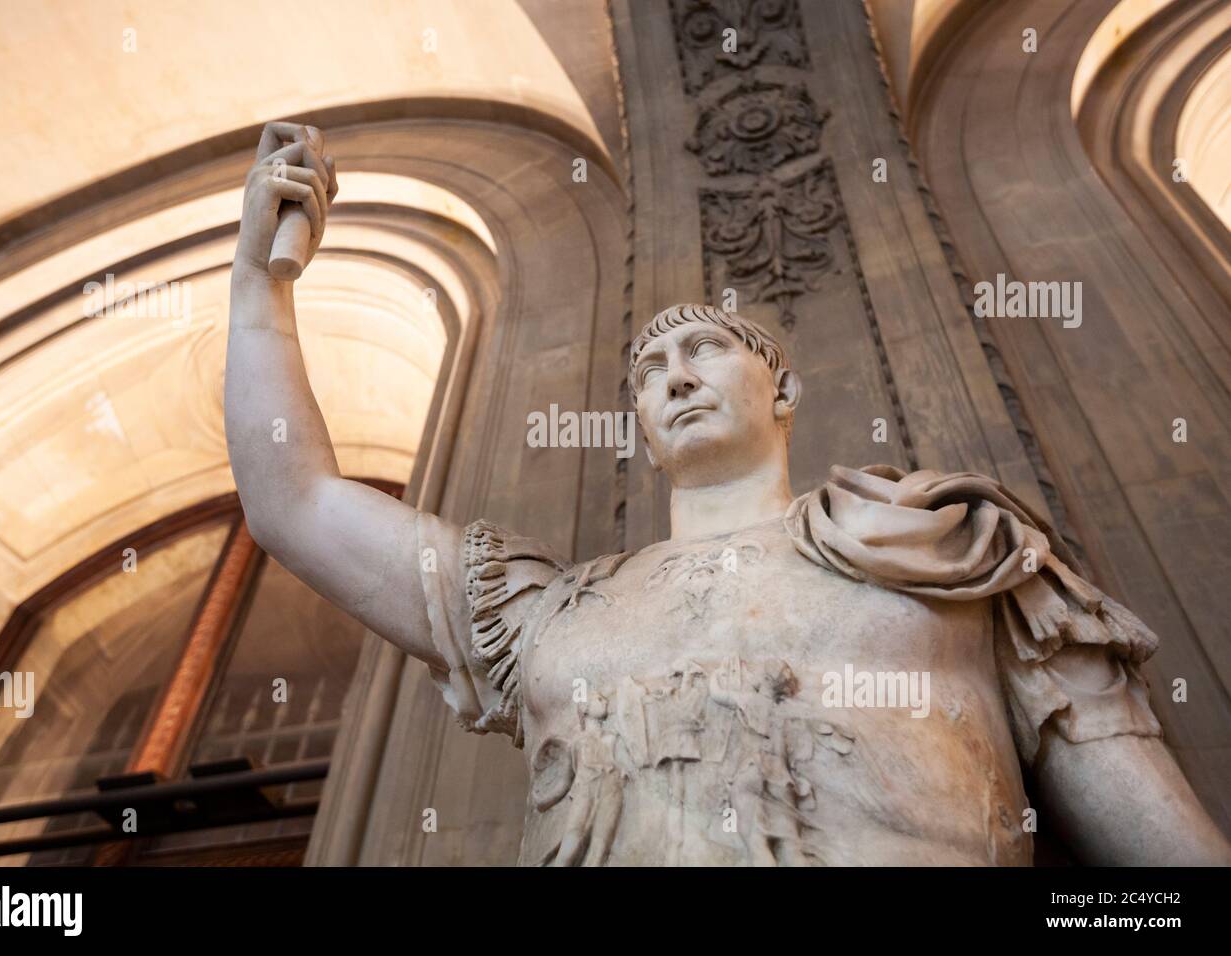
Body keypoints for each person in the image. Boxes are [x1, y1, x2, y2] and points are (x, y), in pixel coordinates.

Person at [225, 122, 1230, 866]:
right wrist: (259, 289)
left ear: (781, 387)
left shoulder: (944, 550)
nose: (671, 372)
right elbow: (295, 503)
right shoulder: (541, 614)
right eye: (648, 367)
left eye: (703, 346)